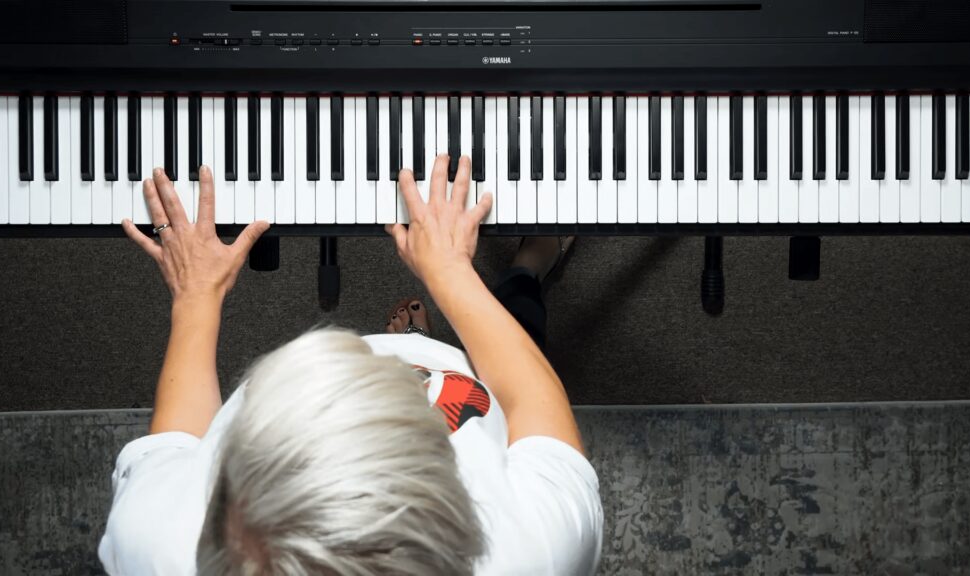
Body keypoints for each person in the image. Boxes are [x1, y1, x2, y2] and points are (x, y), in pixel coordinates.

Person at [98, 154, 603, 575]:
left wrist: (196, 296)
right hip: (459, 388)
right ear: (461, 518)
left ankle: (411, 342)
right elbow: (535, 405)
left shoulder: (155, 545)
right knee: (512, 354)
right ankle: (518, 278)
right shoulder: (534, 551)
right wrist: (451, 271)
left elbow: (178, 447)